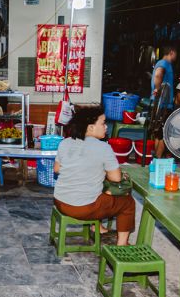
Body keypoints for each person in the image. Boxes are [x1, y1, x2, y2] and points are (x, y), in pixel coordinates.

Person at [54, 105, 135, 247]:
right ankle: (122, 244)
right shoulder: (103, 147)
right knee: (127, 202)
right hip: (83, 208)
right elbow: (116, 178)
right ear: (90, 128)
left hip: (61, 201)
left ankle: (96, 227)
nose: (106, 127)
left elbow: (57, 169)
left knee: (95, 187)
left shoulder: (65, 143)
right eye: (103, 123)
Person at [150, 45, 177, 157]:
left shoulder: (162, 63)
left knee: (159, 135)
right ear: (172, 52)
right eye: (176, 54)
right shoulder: (165, 63)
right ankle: (158, 163)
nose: (176, 56)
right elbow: (158, 75)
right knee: (164, 136)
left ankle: (156, 161)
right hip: (163, 105)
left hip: (160, 104)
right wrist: (157, 88)